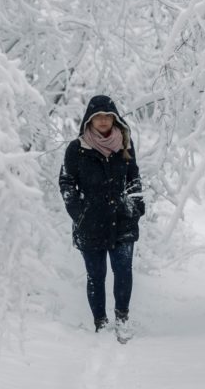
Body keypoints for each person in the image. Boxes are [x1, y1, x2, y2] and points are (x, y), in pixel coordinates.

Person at [58, 95, 145, 340]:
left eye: (108, 116)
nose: (104, 121)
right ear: (90, 120)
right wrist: (79, 211)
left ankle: (122, 318)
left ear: (114, 118)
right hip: (90, 223)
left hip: (123, 220)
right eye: (99, 117)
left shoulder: (124, 143)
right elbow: (66, 182)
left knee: (123, 270)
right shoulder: (77, 148)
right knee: (96, 275)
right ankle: (101, 322)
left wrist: (135, 205)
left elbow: (134, 177)